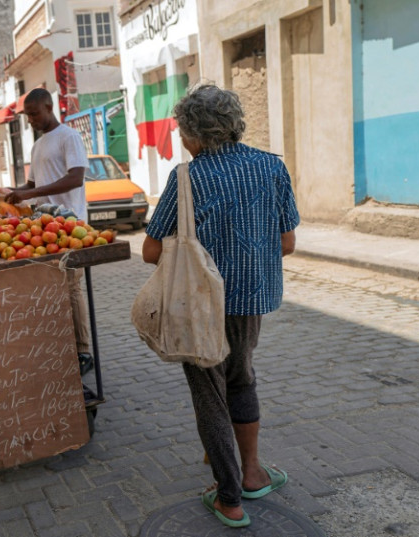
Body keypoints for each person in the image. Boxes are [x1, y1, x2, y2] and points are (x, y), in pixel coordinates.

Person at [142, 84, 299, 528]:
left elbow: (152, 252)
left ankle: (229, 499)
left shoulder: (187, 178)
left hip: (200, 307)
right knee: (242, 378)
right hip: (253, 301)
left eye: (181, 131)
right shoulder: (271, 167)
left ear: (194, 134)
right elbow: (286, 242)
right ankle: (251, 473)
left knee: (209, 395)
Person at [4, 87, 93, 376]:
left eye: (34, 113)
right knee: (48, 288)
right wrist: (14, 193)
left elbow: (76, 178)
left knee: (71, 287)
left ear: (48, 106)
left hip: (71, 227)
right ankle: (59, 342)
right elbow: (33, 186)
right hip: (43, 227)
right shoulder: (38, 146)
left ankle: (82, 350)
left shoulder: (69, 137)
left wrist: (35, 191)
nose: (30, 119)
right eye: (27, 115)